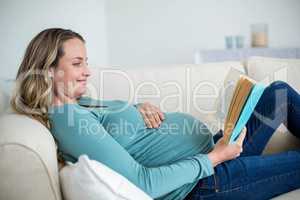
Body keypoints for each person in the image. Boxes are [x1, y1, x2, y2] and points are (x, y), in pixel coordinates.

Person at [11, 28, 300, 200]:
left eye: (86, 61)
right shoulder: (67, 121)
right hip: (204, 184)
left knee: (278, 92)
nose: (87, 70)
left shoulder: (81, 102)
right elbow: (140, 181)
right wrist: (215, 158)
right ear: (49, 69)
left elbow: (121, 133)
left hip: (213, 154)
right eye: (77, 63)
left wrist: (138, 107)